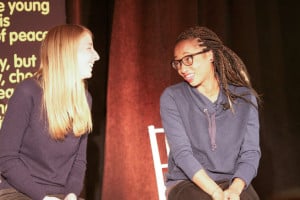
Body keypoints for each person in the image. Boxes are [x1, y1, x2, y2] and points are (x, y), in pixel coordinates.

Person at [160, 26, 261, 200]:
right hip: (187, 183)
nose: (182, 69)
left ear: (210, 54)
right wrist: (215, 193)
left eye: (188, 59)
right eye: (178, 62)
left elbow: (250, 153)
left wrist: (235, 189)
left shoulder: (245, 98)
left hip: (231, 182)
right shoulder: (172, 97)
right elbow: (183, 155)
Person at [0, 24, 100, 200]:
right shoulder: (28, 91)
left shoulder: (85, 98)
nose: (96, 56)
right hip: (18, 192)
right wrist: (43, 197)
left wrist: (71, 194)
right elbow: (6, 158)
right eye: (89, 48)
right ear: (66, 52)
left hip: (60, 195)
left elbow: (79, 162)